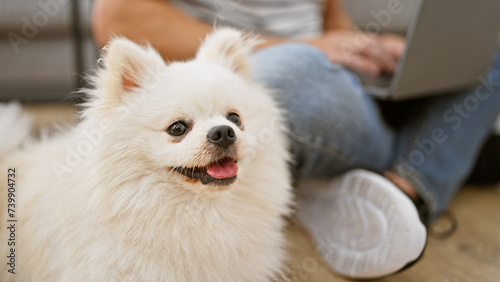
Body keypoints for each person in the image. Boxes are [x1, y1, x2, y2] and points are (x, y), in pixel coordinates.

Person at [92, 0, 500, 278]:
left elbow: (332, 23)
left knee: (486, 49)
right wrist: (308, 47)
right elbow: (121, 18)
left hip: (340, 91)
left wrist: (370, 48)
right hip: (271, 81)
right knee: (295, 69)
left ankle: (401, 187)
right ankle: (431, 157)